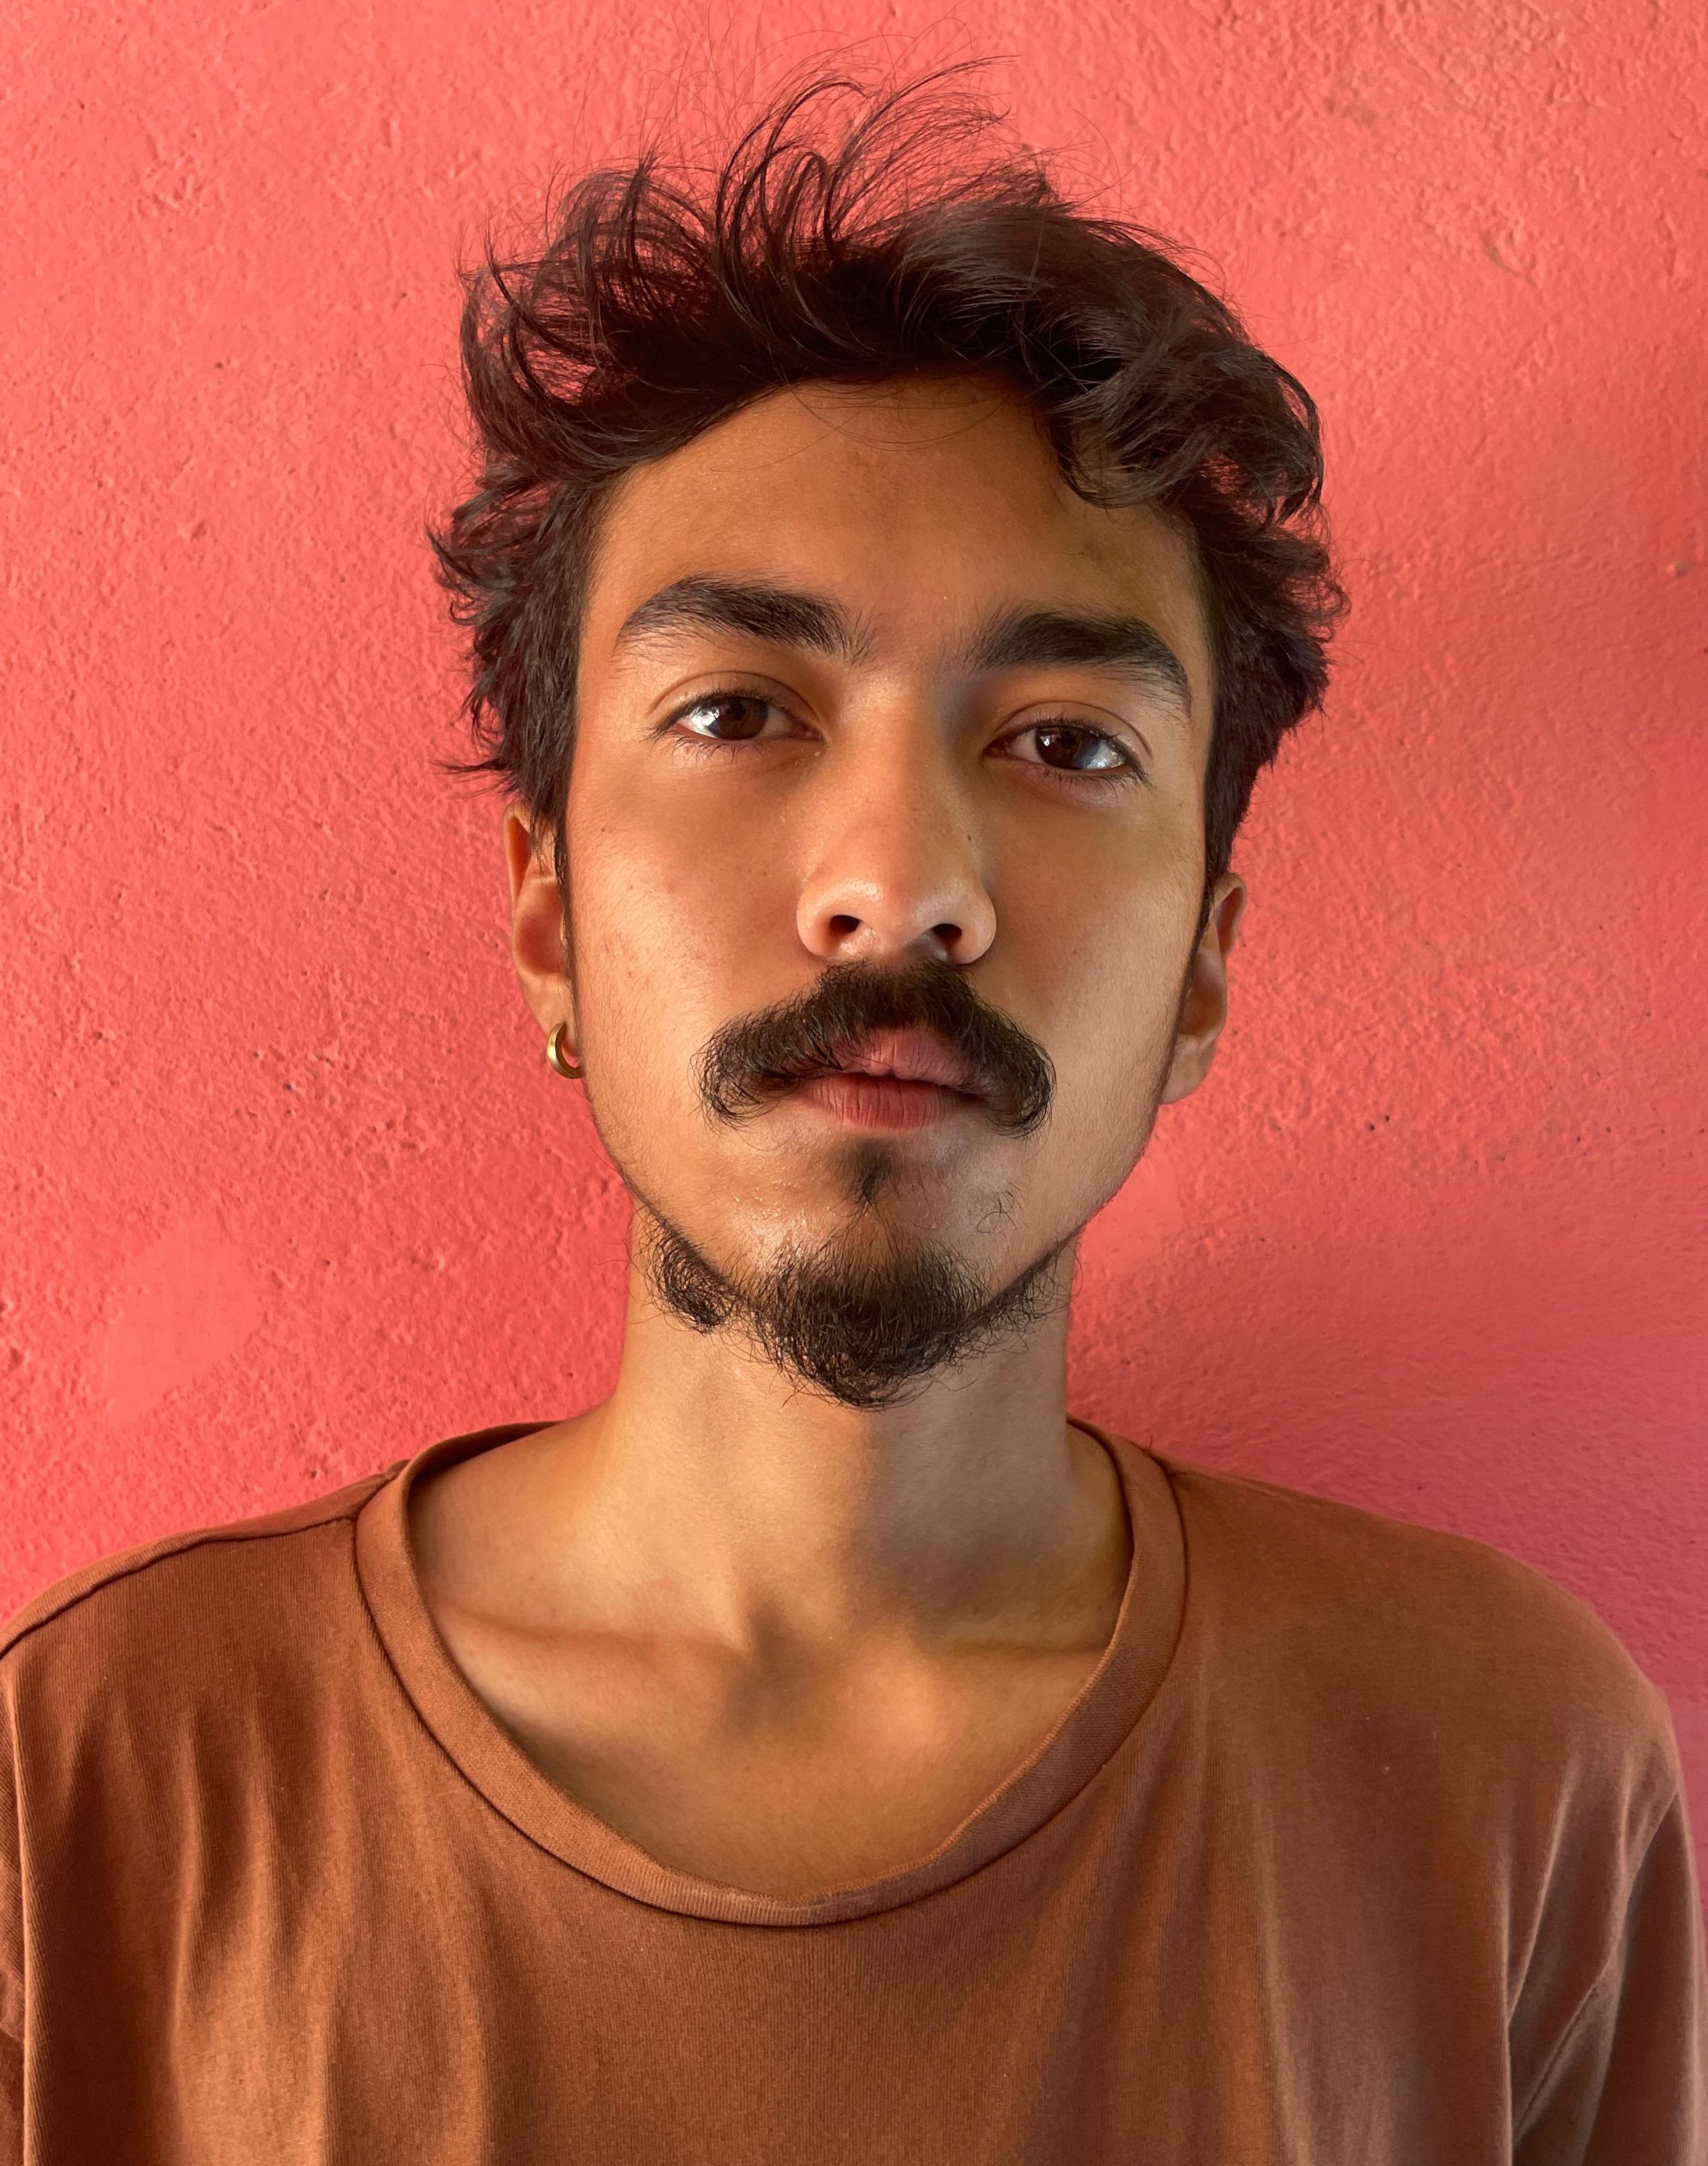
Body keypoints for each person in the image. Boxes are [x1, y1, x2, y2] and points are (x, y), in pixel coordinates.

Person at [1, 63, 1702, 2165]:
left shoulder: (1505, 1783)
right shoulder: (85, 1788)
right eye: (738, 712)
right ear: (547, 914)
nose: (900, 886)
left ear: (1199, 965)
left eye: (1066, 744)